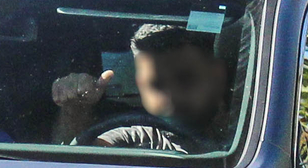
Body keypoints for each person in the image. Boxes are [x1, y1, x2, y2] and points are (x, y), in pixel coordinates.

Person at [51, 22, 235, 153]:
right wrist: (76, 107)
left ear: (215, 76)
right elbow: (81, 159)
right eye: (157, 85)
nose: (170, 98)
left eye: (185, 80)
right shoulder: (143, 137)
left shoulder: (255, 127)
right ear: (141, 86)